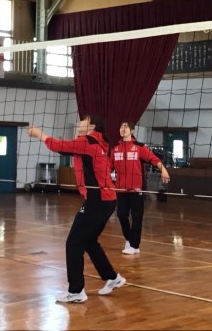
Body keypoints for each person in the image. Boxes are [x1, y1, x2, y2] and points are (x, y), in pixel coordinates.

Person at [27, 115, 125, 304]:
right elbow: (69, 151)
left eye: (84, 120)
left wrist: (39, 134)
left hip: (98, 200)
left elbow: (58, 146)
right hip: (107, 199)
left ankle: (76, 291)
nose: (80, 122)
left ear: (92, 126)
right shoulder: (99, 142)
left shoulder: (88, 142)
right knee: (89, 241)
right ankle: (112, 278)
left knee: (73, 243)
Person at [112, 121, 171, 256]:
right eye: (121, 127)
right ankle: (129, 239)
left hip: (136, 189)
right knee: (121, 215)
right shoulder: (115, 149)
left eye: (126, 127)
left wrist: (164, 170)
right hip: (121, 189)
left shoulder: (139, 147)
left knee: (137, 217)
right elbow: (108, 166)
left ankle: (134, 246)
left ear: (132, 131)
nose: (123, 129)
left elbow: (154, 159)